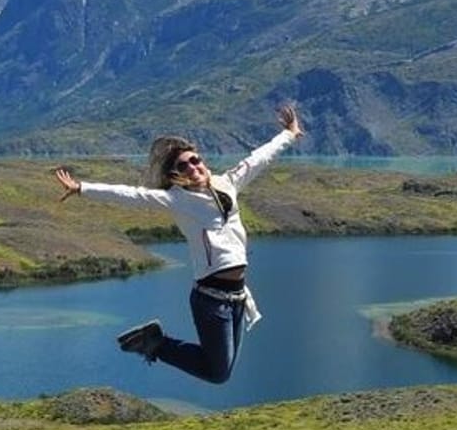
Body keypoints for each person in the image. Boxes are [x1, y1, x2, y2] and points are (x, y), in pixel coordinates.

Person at [53, 105, 303, 385]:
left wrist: (289, 134)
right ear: (175, 175)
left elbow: (259, 158)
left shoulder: (228, 182)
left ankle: (155, 342)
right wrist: (82, 188)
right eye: (183, 166)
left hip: (237, 296)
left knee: (221, 371)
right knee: (218, 373)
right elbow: (131, 195)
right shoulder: (177, 199)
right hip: (211, 300)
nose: (192, 167)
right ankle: (156, 343)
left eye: (195, 160)